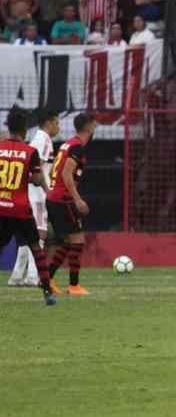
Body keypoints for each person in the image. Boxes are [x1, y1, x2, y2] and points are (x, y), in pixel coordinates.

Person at [0, 109, 56, 306]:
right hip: (21, 208)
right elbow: (38, 178)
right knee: (35, 247)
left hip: (1, 207)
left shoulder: (0, 148)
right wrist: (43, 187)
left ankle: (19, 276)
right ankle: (47, 291)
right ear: (24, 130)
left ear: (8, 128)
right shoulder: (29, 152)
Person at [45, 112, 96, 296]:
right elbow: (67, 173)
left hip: (54, 198)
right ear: (89, 126)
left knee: (68, 242)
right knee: (78, 240)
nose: (96, 128)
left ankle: (48, 279)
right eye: (94, 124)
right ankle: (74, 286)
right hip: (63, 199)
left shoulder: (68, 144)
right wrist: (77, 199)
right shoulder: (77, 147)